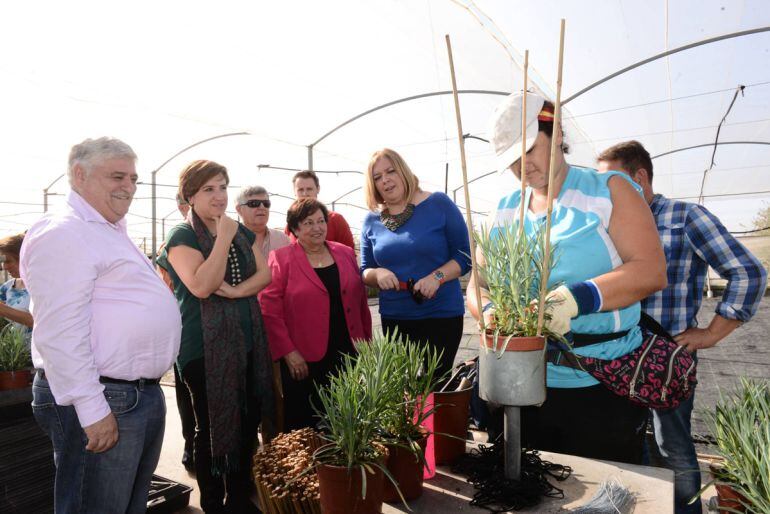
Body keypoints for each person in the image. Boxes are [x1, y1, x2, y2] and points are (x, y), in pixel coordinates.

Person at [467, 92, 668, 464]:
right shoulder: (505, 210)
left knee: (602, 491)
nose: (522, 166)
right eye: (512, 159)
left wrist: (577, 298)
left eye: (529, 150)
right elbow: (476, 284)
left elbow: (650, 270)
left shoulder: (608, 191)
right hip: (520, 386)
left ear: (556, 132)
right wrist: (490, 311)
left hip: (599, 387)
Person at [598, 140, 767, 513]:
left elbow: (748, 272)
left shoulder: (685, 217)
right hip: (614, 359)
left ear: (640, 177)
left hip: (666, 359)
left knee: (670, 445)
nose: (604, 192)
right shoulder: (606, 224)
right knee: (621, 443)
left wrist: (711, 333)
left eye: (611, 181)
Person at [20, 137, 182, 513]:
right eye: (117, 176)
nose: (129, 187)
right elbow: (59, 334)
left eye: (134, 179)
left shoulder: (106, 229)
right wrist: (92, 411)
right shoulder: (64, 231)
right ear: (79, 174)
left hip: (133, 395)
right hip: (104, 398)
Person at [157, 159, 274, 514]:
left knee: (246, 421)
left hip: (247, 338)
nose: (219, 195)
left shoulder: (239, 230)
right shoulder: (183, 235)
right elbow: (203, 285)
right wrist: (222, 239)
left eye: (223, 187)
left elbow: (264, 275)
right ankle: (213, 501)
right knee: (210, 426)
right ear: (190, 196)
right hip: (203, 348)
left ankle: (240, 495)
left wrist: (239, 293)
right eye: (209, 189)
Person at [260, 198, 372, 430]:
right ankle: (307, 466)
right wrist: (289, 353)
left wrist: (366, 344)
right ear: (296, 229)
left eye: (321, 221)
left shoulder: (345, 253)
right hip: (303, 358)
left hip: (347, 350)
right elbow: (269, 311)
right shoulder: (281, 259)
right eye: (308, 223)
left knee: (347, 418)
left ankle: (341, 466)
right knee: (304, 421)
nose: (317, 227)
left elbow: (361, 303)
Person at [360, 148, 472, 379]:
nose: (386, 180)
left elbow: (464, 256)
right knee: (403, 387)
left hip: (440, 314)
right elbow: (364, 269)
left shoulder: (439, 204)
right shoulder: (371, 220)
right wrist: (377, 273)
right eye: (377, 177)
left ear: (403, 171)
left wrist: (437, 277)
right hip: (396, 316)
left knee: (436, 383)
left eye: (391, 171)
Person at [157, 192, 196, 473]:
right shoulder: (172, 241)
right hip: (184, 327)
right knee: (185, 389)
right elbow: (165, 286)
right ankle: (190, 442)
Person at [285, 170, 355, 250]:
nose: (305, 194)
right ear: (294, 192)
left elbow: (349, 254)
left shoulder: (336, 219)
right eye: (300, 190)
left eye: (309, 189)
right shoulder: (290, 225)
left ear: (318, 189)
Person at [235, 185, 290, 260]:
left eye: (266, 204)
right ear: (239, 209)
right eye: (254, 203)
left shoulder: (283, 240)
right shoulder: (230, 240)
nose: (262, 207)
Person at [0, 233, 33, 345]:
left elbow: (38, 322)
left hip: (38, 355)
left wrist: (3, 310)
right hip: (17, 356)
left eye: (8, 261)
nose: (4, 266)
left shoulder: (40, 287)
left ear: (23, 258)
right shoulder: (6, 288)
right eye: (3, 261)